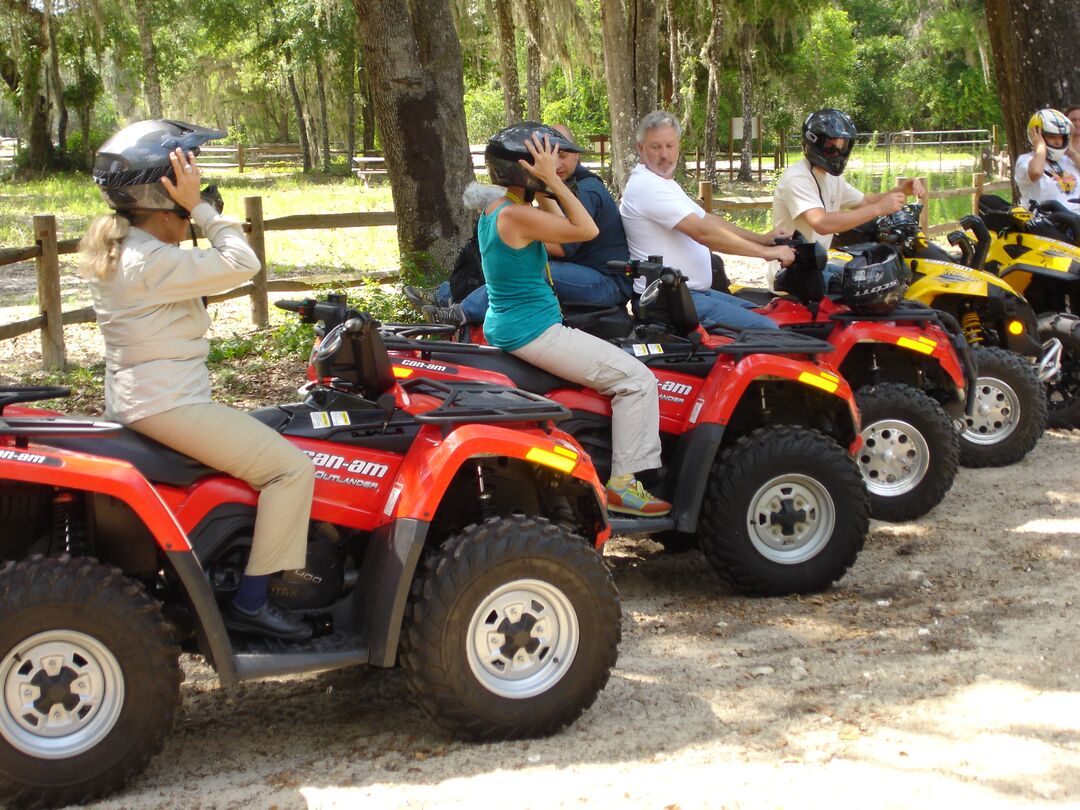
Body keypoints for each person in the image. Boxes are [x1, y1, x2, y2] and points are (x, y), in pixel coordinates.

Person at [79, 120, 315, 641]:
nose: (206, 198)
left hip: (145, 400)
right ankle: (253, 602)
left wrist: (187, 207)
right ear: (165, 199)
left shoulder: (131, 249)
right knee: (290, 470)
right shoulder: (151, 261)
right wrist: (202, 212)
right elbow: (243, 261)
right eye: (193, 188)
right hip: (168, 405)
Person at [477, 122, 670, 516]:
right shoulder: (515, 215)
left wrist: (545, 184)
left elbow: (563, 239)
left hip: (513, 323)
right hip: (533, 330)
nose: (559, 166)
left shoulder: (498, 207)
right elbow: (586, 229)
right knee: (637, 380)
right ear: (524, 170)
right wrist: (553, 181)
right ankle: (623, 484)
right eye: (546, 162)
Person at [420, 123, 632, 325]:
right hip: (580, 271)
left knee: (526, 270)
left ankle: (460, 311)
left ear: (576, 154)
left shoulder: (586, 190)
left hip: (605, 281)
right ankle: (448, 294)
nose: (555, 164)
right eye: (547, 158)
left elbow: (565, 245)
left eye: (562, 155)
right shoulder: (538, 195)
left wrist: (548, 182)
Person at [619, 110, 793, 330]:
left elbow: (709, 221)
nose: (665, 154)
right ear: (641, 149)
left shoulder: (662, 182)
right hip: (669, 300)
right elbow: (704, 234)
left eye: (670, 146)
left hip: (690, 293)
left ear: (678, 146)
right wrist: (768, 253)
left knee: (769, 312)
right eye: (656, 147)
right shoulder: (647, 186)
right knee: (769, 329)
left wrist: (762, 238)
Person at [771, 108, 925, 287]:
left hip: (813, 267)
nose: (838, 152)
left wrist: (900, 190)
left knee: (886, 280)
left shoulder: (829, 177)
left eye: (842, 146)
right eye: (831, 146)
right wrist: (878, 209)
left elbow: (865, 202)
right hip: (789, 274)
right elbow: (822, 223)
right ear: (813, 142)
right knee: (870, 290)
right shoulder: (797, 178)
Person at [1014, 108, 1079, 215]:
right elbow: (1036, 173)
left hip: (1074, 221)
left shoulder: (1067, 160)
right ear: (1038, 136)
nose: (1058, 142)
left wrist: (1071, 152)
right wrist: (1040, 147)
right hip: (1045, 222)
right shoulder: (1026, 160)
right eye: (1052, 137)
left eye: (1061, 137)